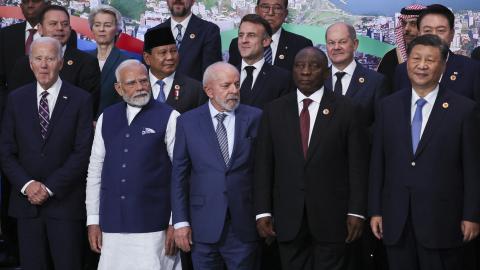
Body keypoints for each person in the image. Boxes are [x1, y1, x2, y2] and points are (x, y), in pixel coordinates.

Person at [369, 34, 480, 270]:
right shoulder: (387, 106)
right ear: (407, 62)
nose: (421, 65)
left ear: (443, 65)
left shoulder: (464, 109)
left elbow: (472, 168)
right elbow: (378, 163)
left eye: (430, 60)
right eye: (416, 58)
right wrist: (376, 210)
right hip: (396, 218)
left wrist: (472, 214)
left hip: (443, 220)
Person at [254, 47, 369, 270]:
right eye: (299, 66)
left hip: (333, 220)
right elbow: (264, 165)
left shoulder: (347, 109)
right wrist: (263, 211)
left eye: (313, 66)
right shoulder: (274, 110)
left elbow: (358, 166)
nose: (305, 71)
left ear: (326, 73)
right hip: (287, 219)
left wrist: (356, 211)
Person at [0, 37, 93, 270]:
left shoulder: (81, 99)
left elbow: (82, 153)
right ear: (30, 63)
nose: (44, 65)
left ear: (61, 63)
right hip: (26, 206)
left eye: (50, 59)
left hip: (65, 204)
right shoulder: (16, 99)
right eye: (38, 59)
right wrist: (28, 185)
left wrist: (49, 187)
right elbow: (6, 151)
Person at [85, 59, 181, 270]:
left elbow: (180, 174)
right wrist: (92, 220)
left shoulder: (171, 117)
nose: (140, 87)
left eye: (143, 81)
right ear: (118, 88)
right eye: (131, 83)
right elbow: (95, 171)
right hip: (112, 225)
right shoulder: (105, 117)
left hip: (155, 226)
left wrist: (177, 221)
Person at [171, 62, 262, 269]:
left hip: (243, 224)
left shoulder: (255, 117)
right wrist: (180, 222)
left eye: (237, 85)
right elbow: (179, 175)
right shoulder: (187, 122)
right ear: (209, 90)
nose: (234, 91)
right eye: (226, 85)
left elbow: (264, 171)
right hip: (202, 226)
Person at [9, 5, 101, 115]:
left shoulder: (87, 62)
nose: (60, 28)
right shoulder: (23, 63)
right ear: (40, 28)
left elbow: (89, 107)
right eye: (53, 24)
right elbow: (14, 106)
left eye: (65, 24)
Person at [393, 4, 480, 103]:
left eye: (440, 31)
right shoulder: (403, 70)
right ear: (420, 34)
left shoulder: (472, 70)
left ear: (452, 34)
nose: (433, 36)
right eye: (427, 30)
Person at [325, 22, 388, 129]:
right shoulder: (317, 80)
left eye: (342, 42)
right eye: (331, 43)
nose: (336, 47)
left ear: (355, 44)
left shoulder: (376, 82)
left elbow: (381, 127)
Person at [228, 0, 313, 72]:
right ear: (257, 10)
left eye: (277, 8)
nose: (270, 13)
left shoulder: (301, 45)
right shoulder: (239, 44)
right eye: (265, 7)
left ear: (285, 13)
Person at [148, 0, 222, 81]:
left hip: (195, 93)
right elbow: (148, 74)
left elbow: (211, 76)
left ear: (193, 1)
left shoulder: (209, 31)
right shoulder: (153, 33)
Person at [143, 27, 206, 113]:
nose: (170, 57)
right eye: (163, 52)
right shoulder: (134, 85)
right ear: (147, 58)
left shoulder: (195, 89)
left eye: (173, 51)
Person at [237, 14, 292, 109]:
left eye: (251, 35)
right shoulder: (225, 75)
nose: (244, 40)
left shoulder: (282, 79)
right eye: (241, 35)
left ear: (266, 41)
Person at [87, 5, 131, 116]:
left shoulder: (127, 62)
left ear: (117, 30)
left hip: (114, 123)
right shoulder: (84, 58)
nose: (101, 29)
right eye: (97, 25)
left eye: (107, 25)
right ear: (92, 29)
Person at [377, 4, 426, 91]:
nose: (406, 29)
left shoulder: (440, 58)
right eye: (403, 23)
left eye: (413, 24)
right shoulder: (390, 58)